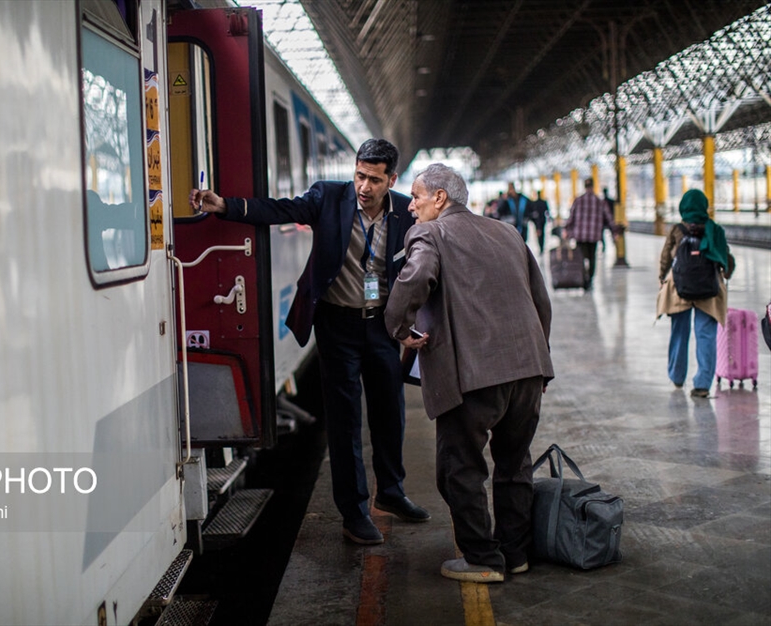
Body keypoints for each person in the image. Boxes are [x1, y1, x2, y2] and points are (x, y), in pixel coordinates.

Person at [190, 138, 430, 545]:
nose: (364, 187)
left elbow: (424, 263)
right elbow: (281, 209)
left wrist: (418, 320)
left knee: (391, 414)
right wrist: (225, 205)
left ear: (391, 179)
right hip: (336, 325)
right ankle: (353, 511)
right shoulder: (328, 197)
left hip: (382, 327)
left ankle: (390, 492)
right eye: (359, 175)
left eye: (374, 179)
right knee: (344, 419)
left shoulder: (406, 215)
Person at [384, 163, 554, 583]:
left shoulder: (431, 233)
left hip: (474, 375)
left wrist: (398, 328)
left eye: (418, 196)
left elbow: (417, 276)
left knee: (459, 467)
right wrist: (536, 358)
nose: (412, 207)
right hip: (528, 370)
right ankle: (515, 553)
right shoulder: (507, 232)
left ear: (440, 198)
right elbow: (541, 302)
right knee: (514, 465)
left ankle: (482, 557)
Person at [656, 189, 734, 398]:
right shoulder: (714, 230)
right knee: (706, 335)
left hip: (679, 289)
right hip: (708, 291)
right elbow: (726, 259)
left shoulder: (677, 230)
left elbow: (665, 257)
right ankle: (702, 383)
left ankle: (677, 375)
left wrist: (662, 277)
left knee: (679, 333)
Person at [563, 177, 613, 290]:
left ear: (584, 186)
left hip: (580, 235)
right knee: (592, 258)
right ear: (593, 186)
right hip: (593, 236)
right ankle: (589, 279)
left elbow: (571, 217)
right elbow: (609, 218)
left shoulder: (578, 200)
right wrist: (614, 230)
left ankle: (583, 278)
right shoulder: (600, 201)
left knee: (580, 258)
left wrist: (566, 229)